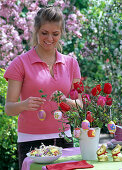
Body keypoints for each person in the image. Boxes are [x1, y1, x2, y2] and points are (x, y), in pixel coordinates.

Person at [4, 5, 82, 170]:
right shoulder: (20, 63)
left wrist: (67, 101)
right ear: (36, 30)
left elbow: (80, 105)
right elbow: (9, 108)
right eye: (44, 33)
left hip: (64, 140)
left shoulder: (71, 64)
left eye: (55, 34)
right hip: (30, 142)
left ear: (61, 33)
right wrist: (24, 105)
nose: (49, 39)